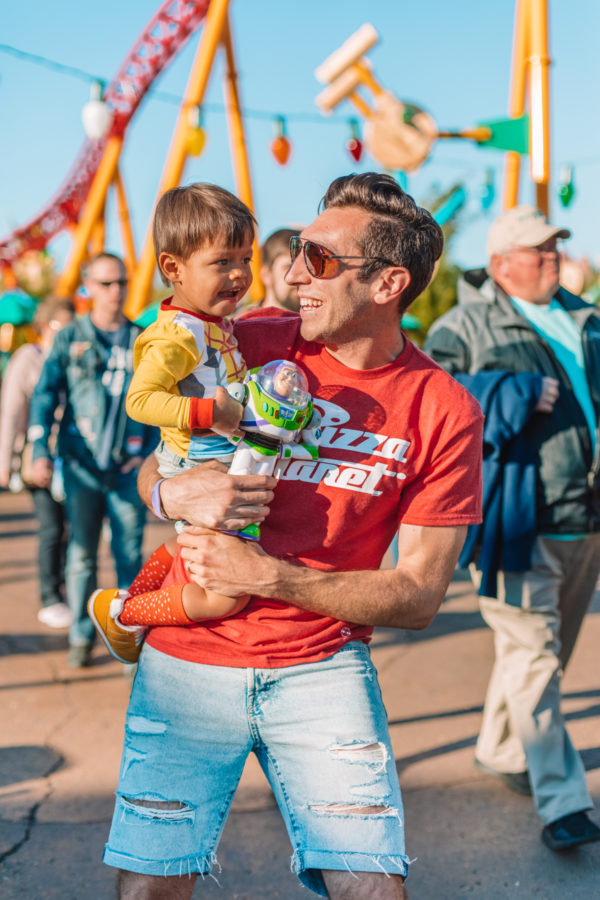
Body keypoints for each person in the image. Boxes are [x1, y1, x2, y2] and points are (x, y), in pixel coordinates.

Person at [102, 173, 483, 899]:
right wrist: (168, 492)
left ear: (388, 284)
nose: (289, 273)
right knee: (151, 888)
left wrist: (268, 577)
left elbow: (419, 594)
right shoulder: (241, 341)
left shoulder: (444, 410)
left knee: (372, 889)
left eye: (319, 260)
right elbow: (151, 456)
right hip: (187, 666)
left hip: (324, 667)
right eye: (297, 253)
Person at [424, 205, 600, 852]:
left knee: (541, 660)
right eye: (538, 250)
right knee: (533, 656)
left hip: (587, 518)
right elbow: (430, 401)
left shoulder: (586, 318)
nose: (553, 257)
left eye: (556, 247)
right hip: (518, 518)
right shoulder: (464, 323)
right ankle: (563, 802)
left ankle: (501, 746)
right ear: (501, 265)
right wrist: (510, 392)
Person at [88, 186, 318, 663]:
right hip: (200, 461)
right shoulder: (177, 335)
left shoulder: (211, 321)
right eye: (222, 262)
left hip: (214, 455)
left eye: (245, 259)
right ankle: (128, 614)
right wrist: (211, 412)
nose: (239, 274)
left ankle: (123, 603)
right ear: (173, 269)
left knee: (186, 545)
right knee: (223, 595)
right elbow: (141, 401)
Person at [28, 253, 157, 668]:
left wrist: (147, 457)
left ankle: (125, 639)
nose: (115, 291)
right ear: (87, 288)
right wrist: (38, 450)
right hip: (81, 468)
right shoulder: (70, 338)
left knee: (129, 555)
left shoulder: (143, 339)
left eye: (120, 282)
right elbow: (45, 396)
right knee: (81, 553)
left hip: (127, 470)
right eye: (105, 284)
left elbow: (159, 401)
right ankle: (80, 637)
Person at [0, 295, 75, 628]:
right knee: (51, 528)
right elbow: (11, 413)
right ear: (48, 326)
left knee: (72, 530)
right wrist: (6, 463)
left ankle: (64, 587)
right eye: (65, 326)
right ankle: (50, 597)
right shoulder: (27, 359)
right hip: (38, 456)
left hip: (73, 458)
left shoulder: (73, 358)